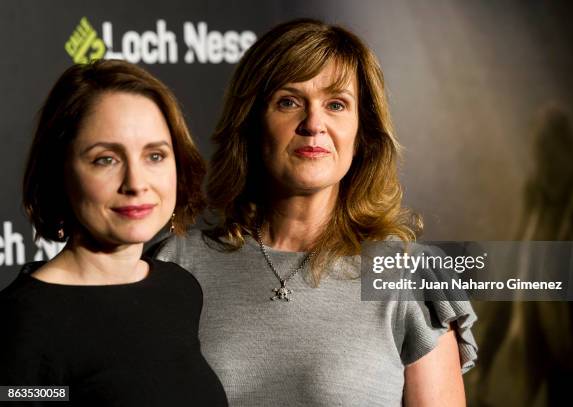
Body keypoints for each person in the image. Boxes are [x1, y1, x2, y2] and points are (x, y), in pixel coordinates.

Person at [154, 19, 477, 406]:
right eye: (288, 101)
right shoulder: (173, 264)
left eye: (336, 104)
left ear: (362, 134)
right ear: (252, 123)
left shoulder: (407, 275)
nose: (313, 124)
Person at [0, 60, 227, 406]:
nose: (136, 183)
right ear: (59, 171)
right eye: (105, 159)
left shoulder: (178, 289)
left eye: (155, 155)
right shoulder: (25, 323)